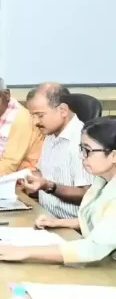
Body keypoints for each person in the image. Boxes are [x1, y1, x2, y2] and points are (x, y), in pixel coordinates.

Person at [0, 116, 116, 264]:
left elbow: (93, 249)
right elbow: (101, 221)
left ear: (113, 156)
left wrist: (24, 252)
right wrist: (58, 223)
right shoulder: (102, 180)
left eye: (88, 150)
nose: (81, 156)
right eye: (81, 149)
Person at [21, 83, 93, 219]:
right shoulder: (50, 135)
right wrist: (20, 177)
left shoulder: (82, 141)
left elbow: (87, 196)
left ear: (63, 110)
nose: (35, 122)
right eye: (32, 116)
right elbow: (42, 173)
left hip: (70, 225)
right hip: (44, 215)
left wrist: (48, 186)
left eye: (40, 115)